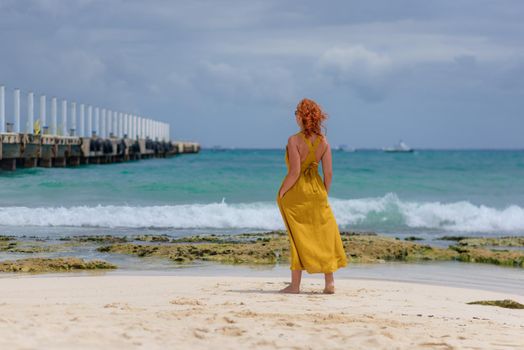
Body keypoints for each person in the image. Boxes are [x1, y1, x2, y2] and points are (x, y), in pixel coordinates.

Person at [276, 98, 348, 294]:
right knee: (324, 234)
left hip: (297, 192)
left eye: (296, 114)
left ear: (301, 116)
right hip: (318, 191)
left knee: (297, 236)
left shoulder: (294, 140)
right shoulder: (324, 142)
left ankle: (295, 285)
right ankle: (329, 283)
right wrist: (323, 193)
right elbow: (329, 173)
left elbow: (295, 172)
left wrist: (282, 192)